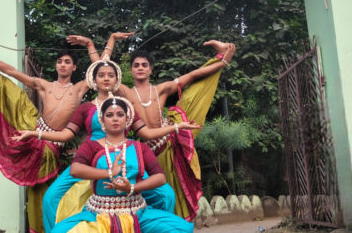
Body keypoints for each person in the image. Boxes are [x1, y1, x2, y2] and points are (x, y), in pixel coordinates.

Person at [14, 59, 199, 233]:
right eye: (101, 75)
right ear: (94, 80)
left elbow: (146, 133)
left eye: (111, 75)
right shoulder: (86, 108)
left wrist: (176, 128)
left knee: (166, 194)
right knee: (50, 197)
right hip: (91, 159)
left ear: (117, 79)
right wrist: (36, 134)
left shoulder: (126, 107)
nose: (106, 78)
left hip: (126, 157)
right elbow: (66, 135)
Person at [0, 33, 129, 233]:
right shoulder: (45, 86)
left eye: (67, 62)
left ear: (74, 68)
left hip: (51, 143)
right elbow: (12, 71)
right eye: (60, 61)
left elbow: (102, 66)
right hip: (32, 127)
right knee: (10, 89)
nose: (63, 65)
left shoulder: (79, 89)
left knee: (48, 194)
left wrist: (103, 41)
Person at [68, 36, 236, 222]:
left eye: (144, 65)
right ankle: (149, 228)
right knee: (148, 192)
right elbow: (103, 68)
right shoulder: (124, 92)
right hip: (144, 150)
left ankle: (170, 227)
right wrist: (93, 44)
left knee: (171, 190)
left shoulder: (161, 89)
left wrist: (223, 60)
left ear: (150, 69)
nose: (140, 68)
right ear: (130, 71)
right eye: (136, 65)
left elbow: (193, 75)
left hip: (167, 144)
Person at [47, 96, 194, 233]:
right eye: (109, 115)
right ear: (102, 120)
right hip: (99, 216)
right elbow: (76, 169)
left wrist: (132, 188)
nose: (115, 118)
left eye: (120, 114)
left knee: (184, 231)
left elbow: (160, 178)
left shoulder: (139, 147)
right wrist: (109, 172)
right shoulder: (91, 146)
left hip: (136, 215)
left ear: (127, 119)